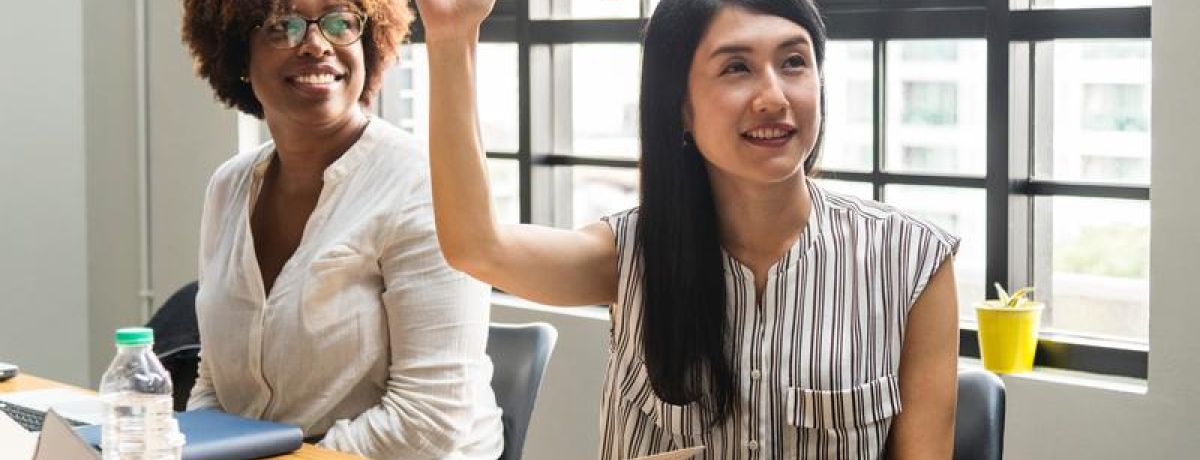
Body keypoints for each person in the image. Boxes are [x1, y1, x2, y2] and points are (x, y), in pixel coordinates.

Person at [416, 0, 961, 458]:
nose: (773, 96)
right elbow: (476, 246)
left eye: (794, 62)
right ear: (681, 107)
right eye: (736, 68)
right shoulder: (632, 253)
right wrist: (451, 36)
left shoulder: (911, 261)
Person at [179, 0, 503, 458]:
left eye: (341, 22)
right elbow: (214, 381)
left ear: (371, 45)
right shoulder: (228, 186)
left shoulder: (423, 184)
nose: (316, 44)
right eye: (281, 26)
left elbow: (429, 420)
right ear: (236, 54)